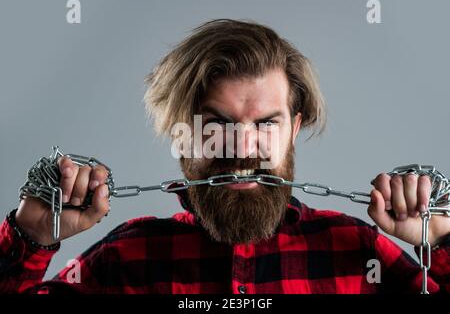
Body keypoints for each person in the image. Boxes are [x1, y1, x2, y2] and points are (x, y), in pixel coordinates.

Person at [0, 19, 449, 294]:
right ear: (182, 135)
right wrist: (30, 236)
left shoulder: (358, 254)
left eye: (266, 124)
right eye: (216, 125)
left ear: (294, 129)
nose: (241, 149)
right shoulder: (125, 261)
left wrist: (443, 242)